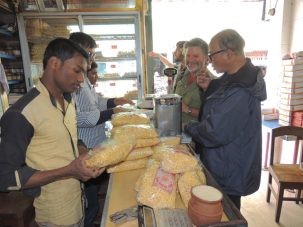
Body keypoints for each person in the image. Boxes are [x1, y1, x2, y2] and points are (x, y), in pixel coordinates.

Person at [0, 37, 105, 226]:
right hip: (54, 215)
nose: (82, 79)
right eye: (77, 70)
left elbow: (72, 138)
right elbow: (5, 177)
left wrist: (84, 155)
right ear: (54, 63)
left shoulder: (69, 101)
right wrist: (69, 170)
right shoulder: (22, 113)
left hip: (77, 203)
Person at [184, 29, 267, 209]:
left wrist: (188, 126)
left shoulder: (240, 89)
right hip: (223, 160)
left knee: (226, 213)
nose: (210, 59)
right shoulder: (233, 75)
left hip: (229, 165)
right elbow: (221, 97)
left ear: (229, 53)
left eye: (212, 54)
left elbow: (214, 132)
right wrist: (210, 87)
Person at [69, 32, 134, 227]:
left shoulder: (84, 79)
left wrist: (115, 101)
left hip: (95, 144)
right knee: (89, 203)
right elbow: (76, 118)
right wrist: (111, 112)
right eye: (90, 54)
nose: (92, 59)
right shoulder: (71, 82)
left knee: (94, 195)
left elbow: (96, 102)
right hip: (84, 147)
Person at [174, 38, 216, 126]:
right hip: (176, 130)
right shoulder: (182, 75)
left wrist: (187, 109)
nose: (191, 60)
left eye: (196, 56)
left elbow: (213, 116)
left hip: (196, 136)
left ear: (206, 58)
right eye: (188, 56)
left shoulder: (213, 83)